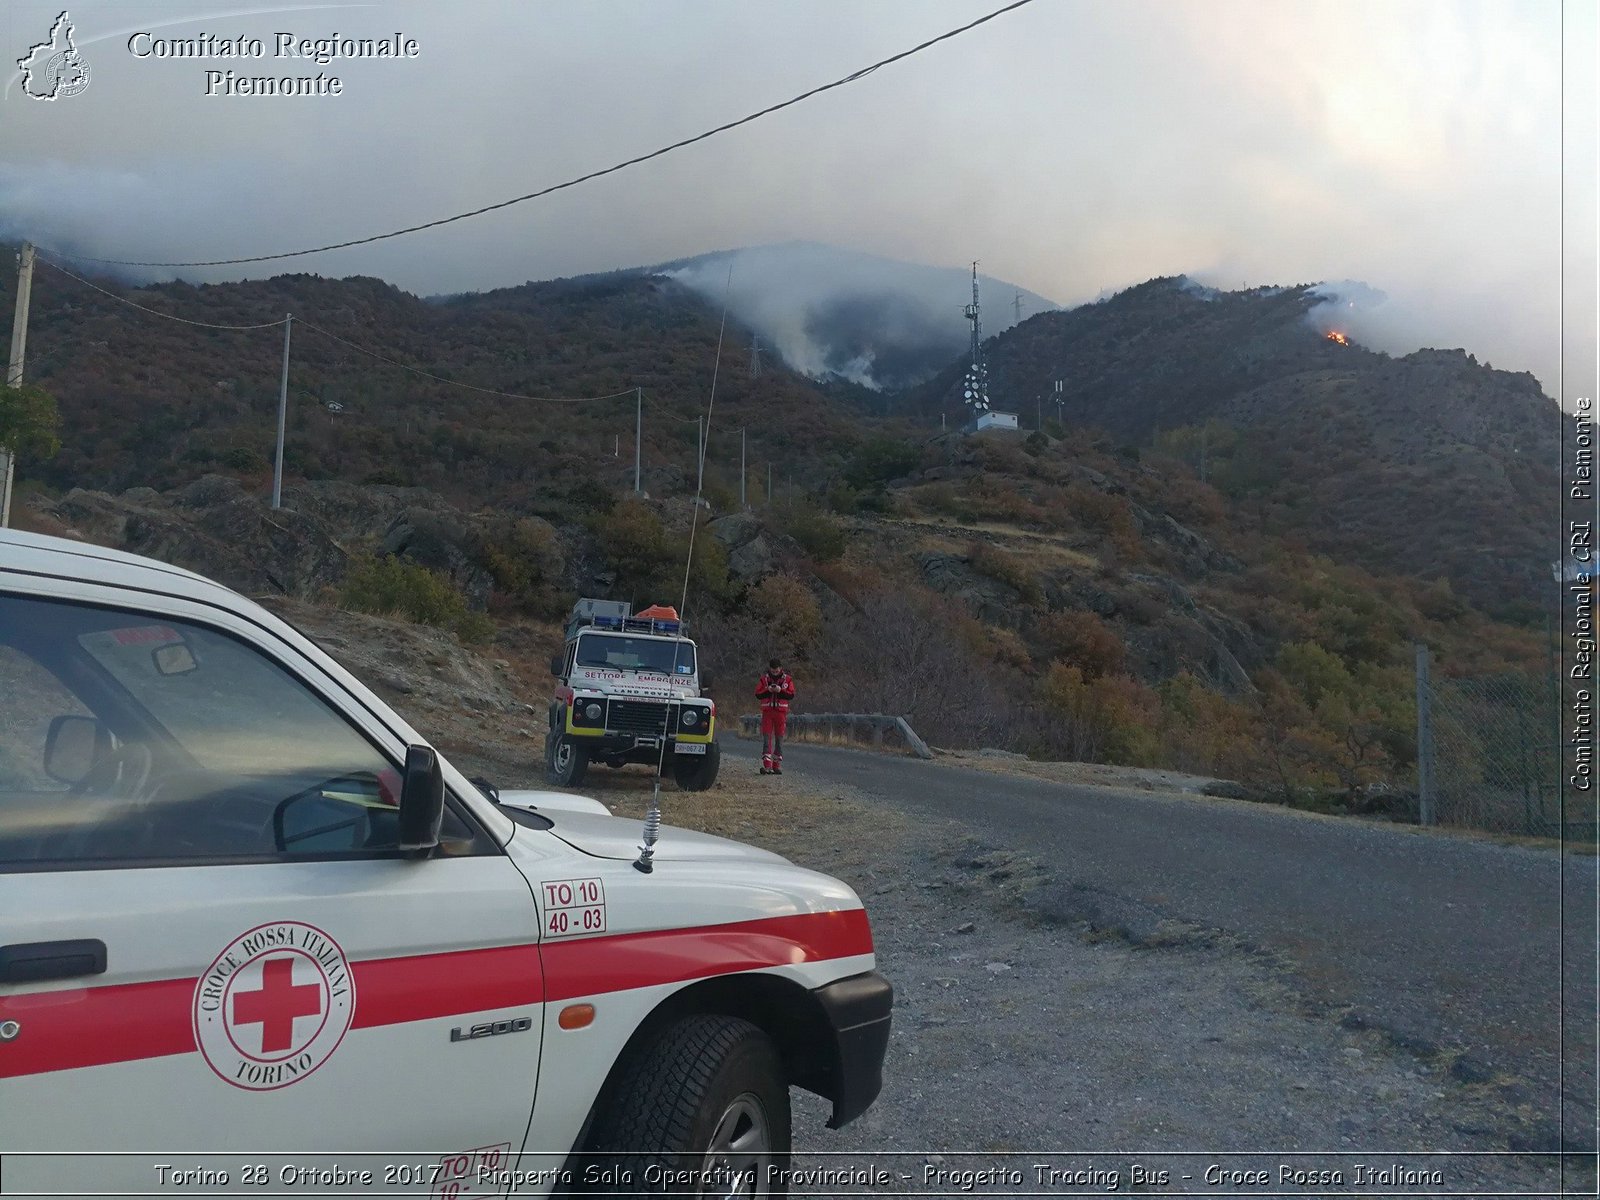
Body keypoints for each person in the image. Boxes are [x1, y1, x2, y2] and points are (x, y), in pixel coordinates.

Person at [755, 658, 795, 775]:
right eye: (773, 669)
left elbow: (791, 695)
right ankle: (767, 765)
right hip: (767, 712)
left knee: (779, 739)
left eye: (777, 669)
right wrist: (768, 690)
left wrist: (780, 690)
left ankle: (776, 765)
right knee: (767, 738)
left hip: (781, 713)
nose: (775, 671)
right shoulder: (764, 679)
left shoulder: (787, 679)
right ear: (770, 668)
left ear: (780, 668)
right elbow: (758, 694)